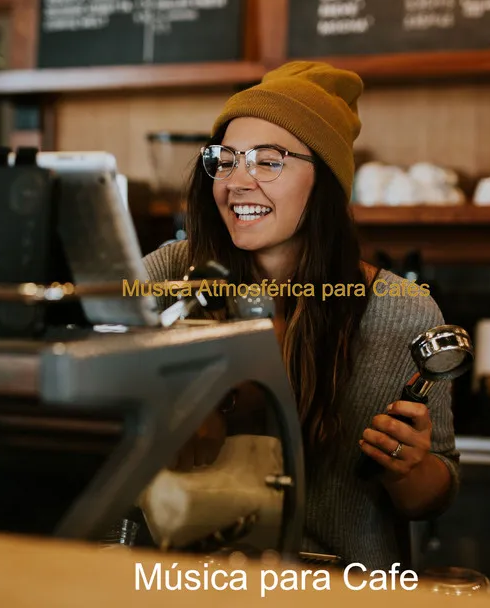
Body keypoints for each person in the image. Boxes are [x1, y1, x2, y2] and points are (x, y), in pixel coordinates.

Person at [143, 61, 459, 569]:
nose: (237, 182)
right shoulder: (168, 274)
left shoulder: (400, 310)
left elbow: (433, 498)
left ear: (325, 182)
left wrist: (410, 467)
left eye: (268, 162)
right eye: (225, 160)